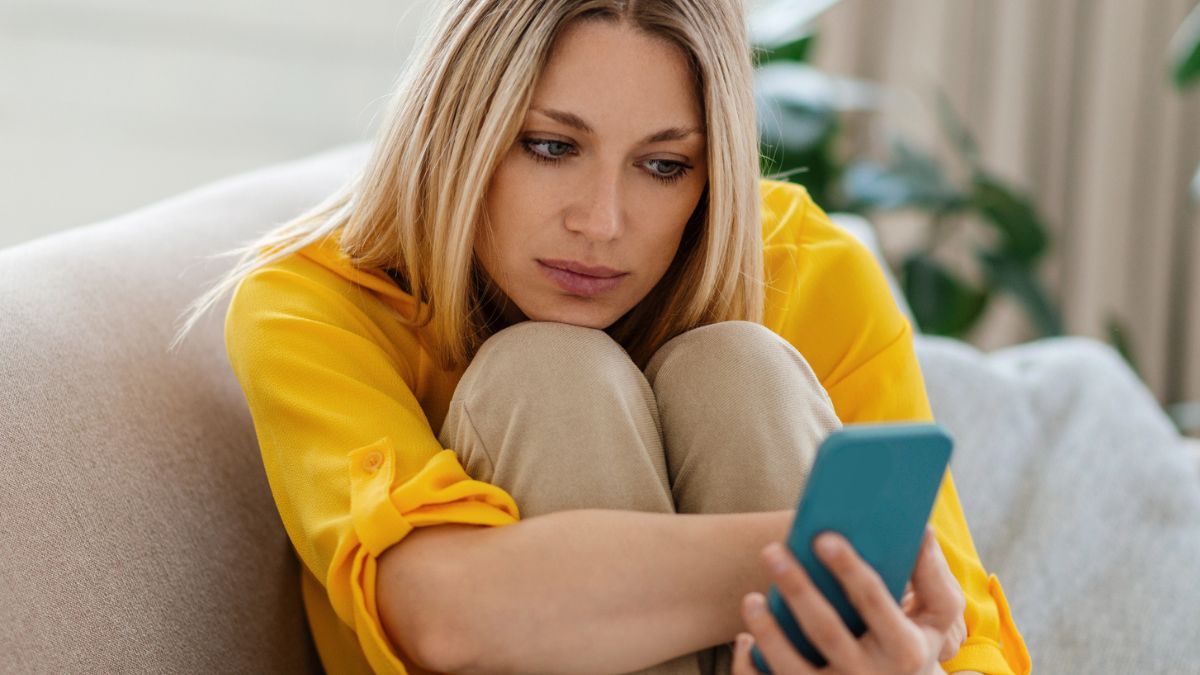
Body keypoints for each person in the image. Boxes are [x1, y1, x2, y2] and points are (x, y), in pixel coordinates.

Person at [172, 1, 1031, 673]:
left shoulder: (806, 268)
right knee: (549, 376)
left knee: (736, 367)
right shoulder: (311, 301)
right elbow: (444, 612)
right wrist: (841, 566)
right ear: (457, 127)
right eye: (551, 147)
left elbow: (964, 634)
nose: (602, 221)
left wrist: (901, 658)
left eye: (664, 165)